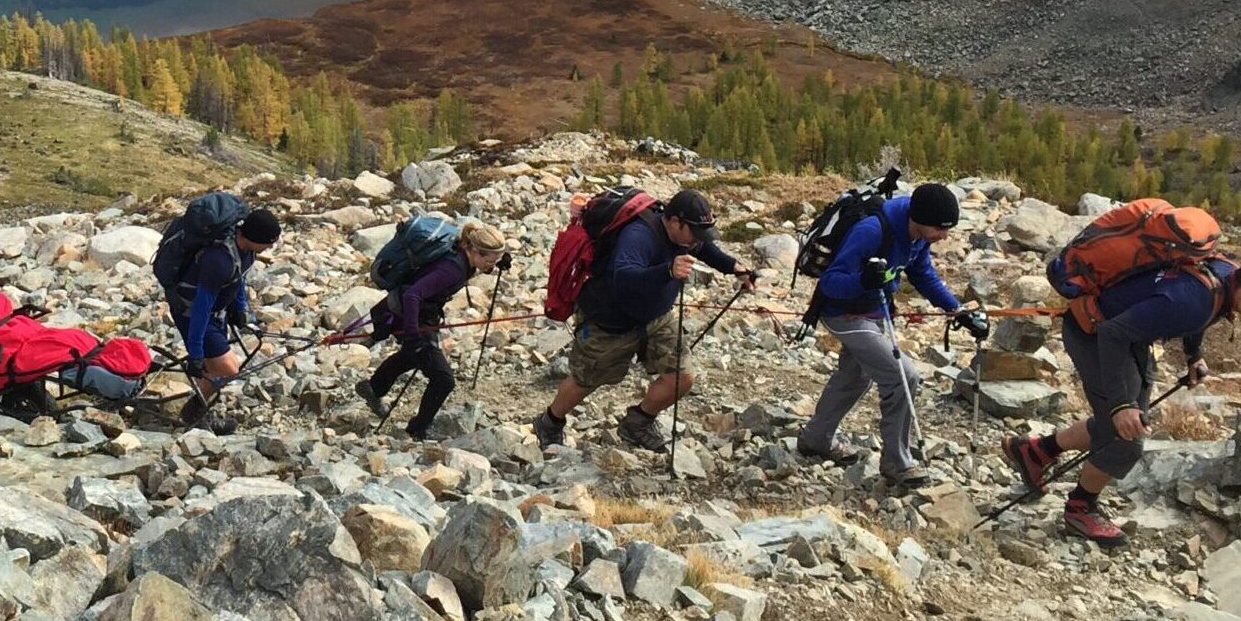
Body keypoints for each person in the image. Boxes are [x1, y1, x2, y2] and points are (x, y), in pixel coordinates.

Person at [1004, 253, 1241, 544]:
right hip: (1094, 333)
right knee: (1125, 437)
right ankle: (1081, 508)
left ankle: (1036, 452)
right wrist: (1121, 404)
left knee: (1125, 424)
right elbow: (1113, 333)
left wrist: (1193, 355)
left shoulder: (1226, 277)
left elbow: (1204, 314)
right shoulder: (1193, 299)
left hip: (1129, 337)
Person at [534, 189, 756, 453]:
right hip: (610, 321)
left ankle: (638, 422)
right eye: (695, 232)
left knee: (682, 377)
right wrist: (668, 271)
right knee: (585, 380)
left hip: (657, 317)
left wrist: (733, 267)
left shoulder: (687, 237)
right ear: (675, 222)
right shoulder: (638, 235)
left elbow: (704, 247)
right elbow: (624, 277)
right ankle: (550, 422)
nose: (697, 239)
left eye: (702, 232)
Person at [795, 180, 986, 485]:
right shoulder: (872, 230)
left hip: (876, 310)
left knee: (853, 377)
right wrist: (864, 281)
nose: (944, 235)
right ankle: (897, 463)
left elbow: (922, 274)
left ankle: (815, 439)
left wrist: (957, 310)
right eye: (940, 228)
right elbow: (831, 282)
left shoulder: (918, 235)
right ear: (920, 220)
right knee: (903, 375)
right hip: (843, 312)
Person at [357, 220, 510, 440]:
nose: (492, 266)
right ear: (476, 251)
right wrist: (413, 335)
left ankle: (374, 387)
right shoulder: (452, 270)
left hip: (419, 313)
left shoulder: (460, 252)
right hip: (410, 315)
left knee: (415, 356)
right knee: (443, 379)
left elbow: (416, 292)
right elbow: (413, 295)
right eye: (491, 260)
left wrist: (499, 259)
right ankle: (418, 428)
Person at [0, 259, 155, 402]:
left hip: (22, 332)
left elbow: (6, 313)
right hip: (1, 352)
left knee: (78, 339)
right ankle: (119, 383)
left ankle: (124, 365)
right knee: (66, 354)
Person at [168, 204, 281, 424]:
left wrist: (239, 310)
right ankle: (193, 415)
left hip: (215, 314)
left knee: (219, 368)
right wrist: (196, 351)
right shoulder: (219, 259)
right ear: (255, 238)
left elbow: (239, 279)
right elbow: (201, 305)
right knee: (229, 369)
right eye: (268, 243)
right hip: (191, 313)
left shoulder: (246, 252)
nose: (270, 247)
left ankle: (197, 408)